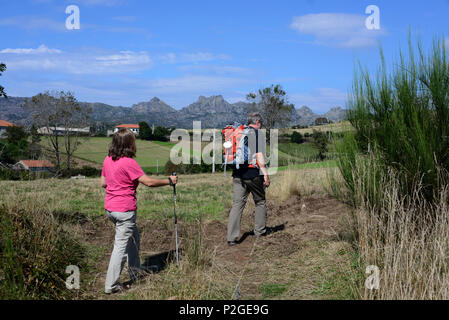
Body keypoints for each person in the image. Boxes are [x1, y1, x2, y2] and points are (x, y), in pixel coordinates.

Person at [101, 128, 178, 294]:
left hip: (110, 209)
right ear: (129, 144)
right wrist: (169, 181)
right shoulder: (129, 162)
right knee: (120, 248)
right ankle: (111, 286)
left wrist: (117, 182)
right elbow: (148, 182)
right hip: (124, 210)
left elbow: (103, 183)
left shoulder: (108, 159)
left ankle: (135, 273)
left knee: (133, 238)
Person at [227, 113, 271, 246]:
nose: (261, 125)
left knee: (237, 205)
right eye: (261, 122)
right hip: (253, 174)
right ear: (257, 122)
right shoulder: (257, 134)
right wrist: (266, 175)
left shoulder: (238, 133)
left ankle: (231, 238)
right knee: (260, 201)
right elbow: (259, 155)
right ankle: (260, 232)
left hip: (237, 174)